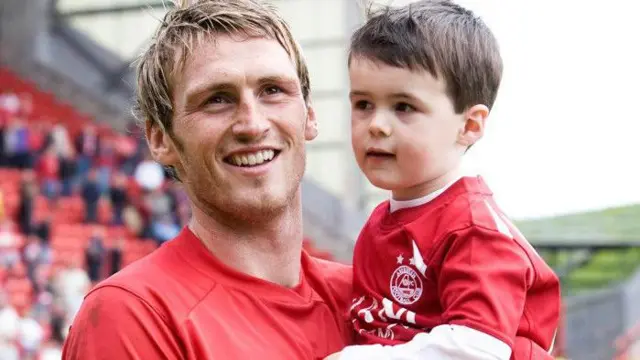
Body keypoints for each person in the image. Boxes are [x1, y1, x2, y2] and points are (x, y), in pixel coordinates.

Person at [61, 0, 352, 359]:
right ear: (160, 139)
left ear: (308, 114)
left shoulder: (369, 303)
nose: (253, 124)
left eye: (272, 90)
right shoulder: (134, 315)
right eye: (217, 99)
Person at [328, 1, 561, 359]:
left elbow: (475, 349)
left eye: (403, 106)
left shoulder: (473, 230)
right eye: (363, 104)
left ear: (469, 125)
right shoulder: (383, 220)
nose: (376, 124)